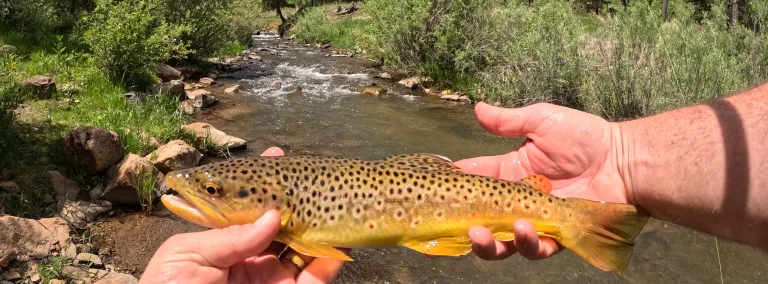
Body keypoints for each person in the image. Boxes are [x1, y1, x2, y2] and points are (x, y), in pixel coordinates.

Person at [139, 82, 768, 283]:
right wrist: (621, 159)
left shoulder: (302, 232)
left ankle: (584, 222)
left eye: (216, 191)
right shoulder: (294, 225)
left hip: (466, 202)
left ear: (272, 205)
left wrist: (622, 157)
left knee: (503, 225)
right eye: (215, 191)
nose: (197, 196)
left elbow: (323, 252)